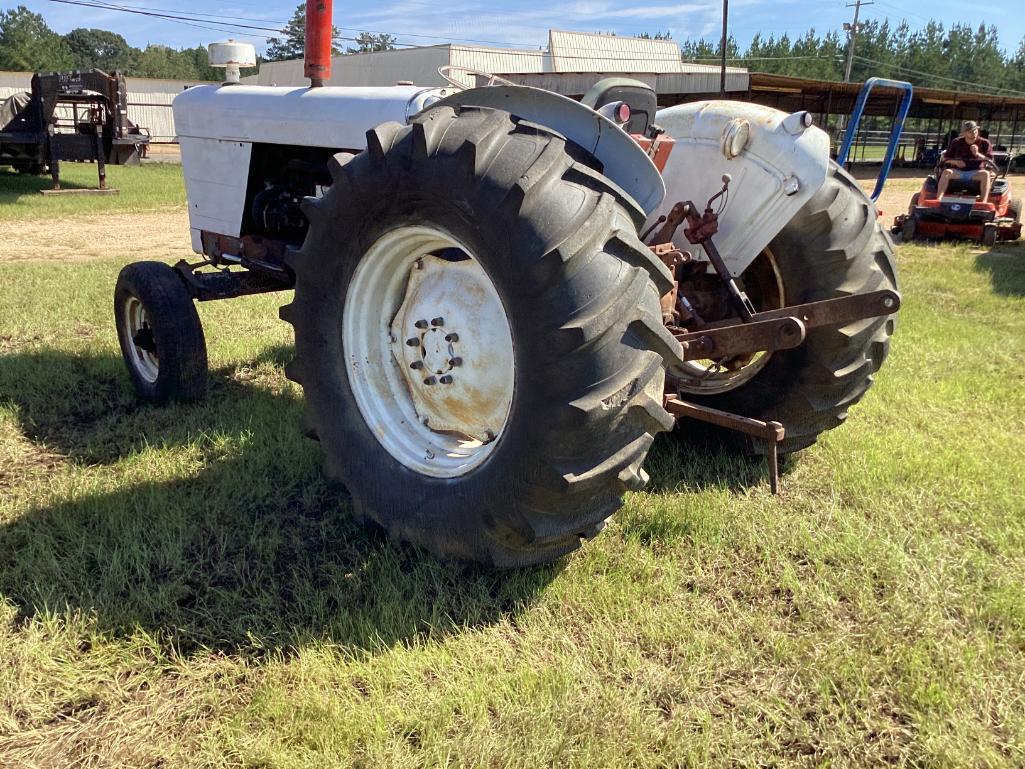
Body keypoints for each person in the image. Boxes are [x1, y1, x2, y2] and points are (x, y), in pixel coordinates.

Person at [936, 120, 995, 201]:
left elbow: (990, 161)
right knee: (946, 172)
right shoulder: (956, 142)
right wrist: (956, 162)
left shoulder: (985, 143)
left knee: (986, 174)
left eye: (975, 130)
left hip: (976, 172)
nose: (974, 133)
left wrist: (977, 154)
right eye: (970, 131)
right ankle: (938, 199)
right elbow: (945, 159)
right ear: (964, 133)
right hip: (958, 171)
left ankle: (983, 202)